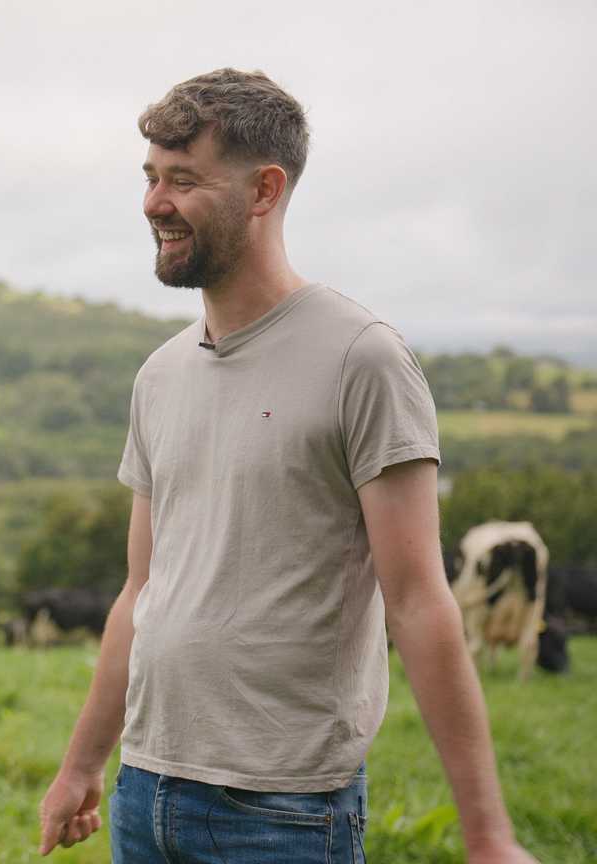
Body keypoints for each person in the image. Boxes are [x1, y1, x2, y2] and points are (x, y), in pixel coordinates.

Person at [36, 69, 536, 863]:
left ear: (265, 190)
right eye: (150, 178)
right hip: (144, 790)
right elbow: (143, 591)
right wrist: (82, 765)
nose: (153, 204)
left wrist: (487, 838)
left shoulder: (361, 358)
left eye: (183, 180)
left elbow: (418, 604)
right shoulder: (159, 376)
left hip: (281, 814)